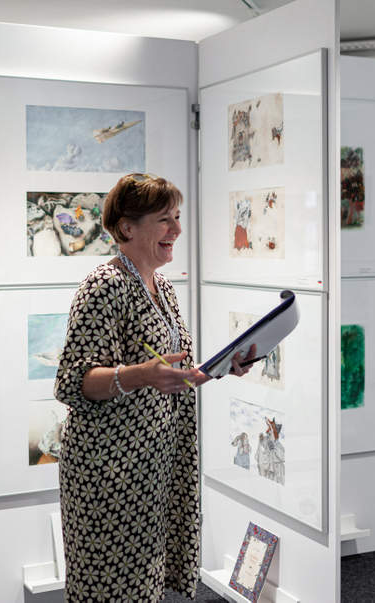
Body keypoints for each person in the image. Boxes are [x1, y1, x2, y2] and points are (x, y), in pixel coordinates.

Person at [54, 173, 253, 602]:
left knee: (145, 585)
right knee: (111, 587)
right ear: (128, 227)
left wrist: (218, 369)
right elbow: (73, 382)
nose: (177, 229)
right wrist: (140, 375)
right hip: (109, 474)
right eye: (165, 219)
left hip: (154, 467)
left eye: (177, 217)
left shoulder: (162, 287)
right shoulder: (104, 286)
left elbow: (169, 372)